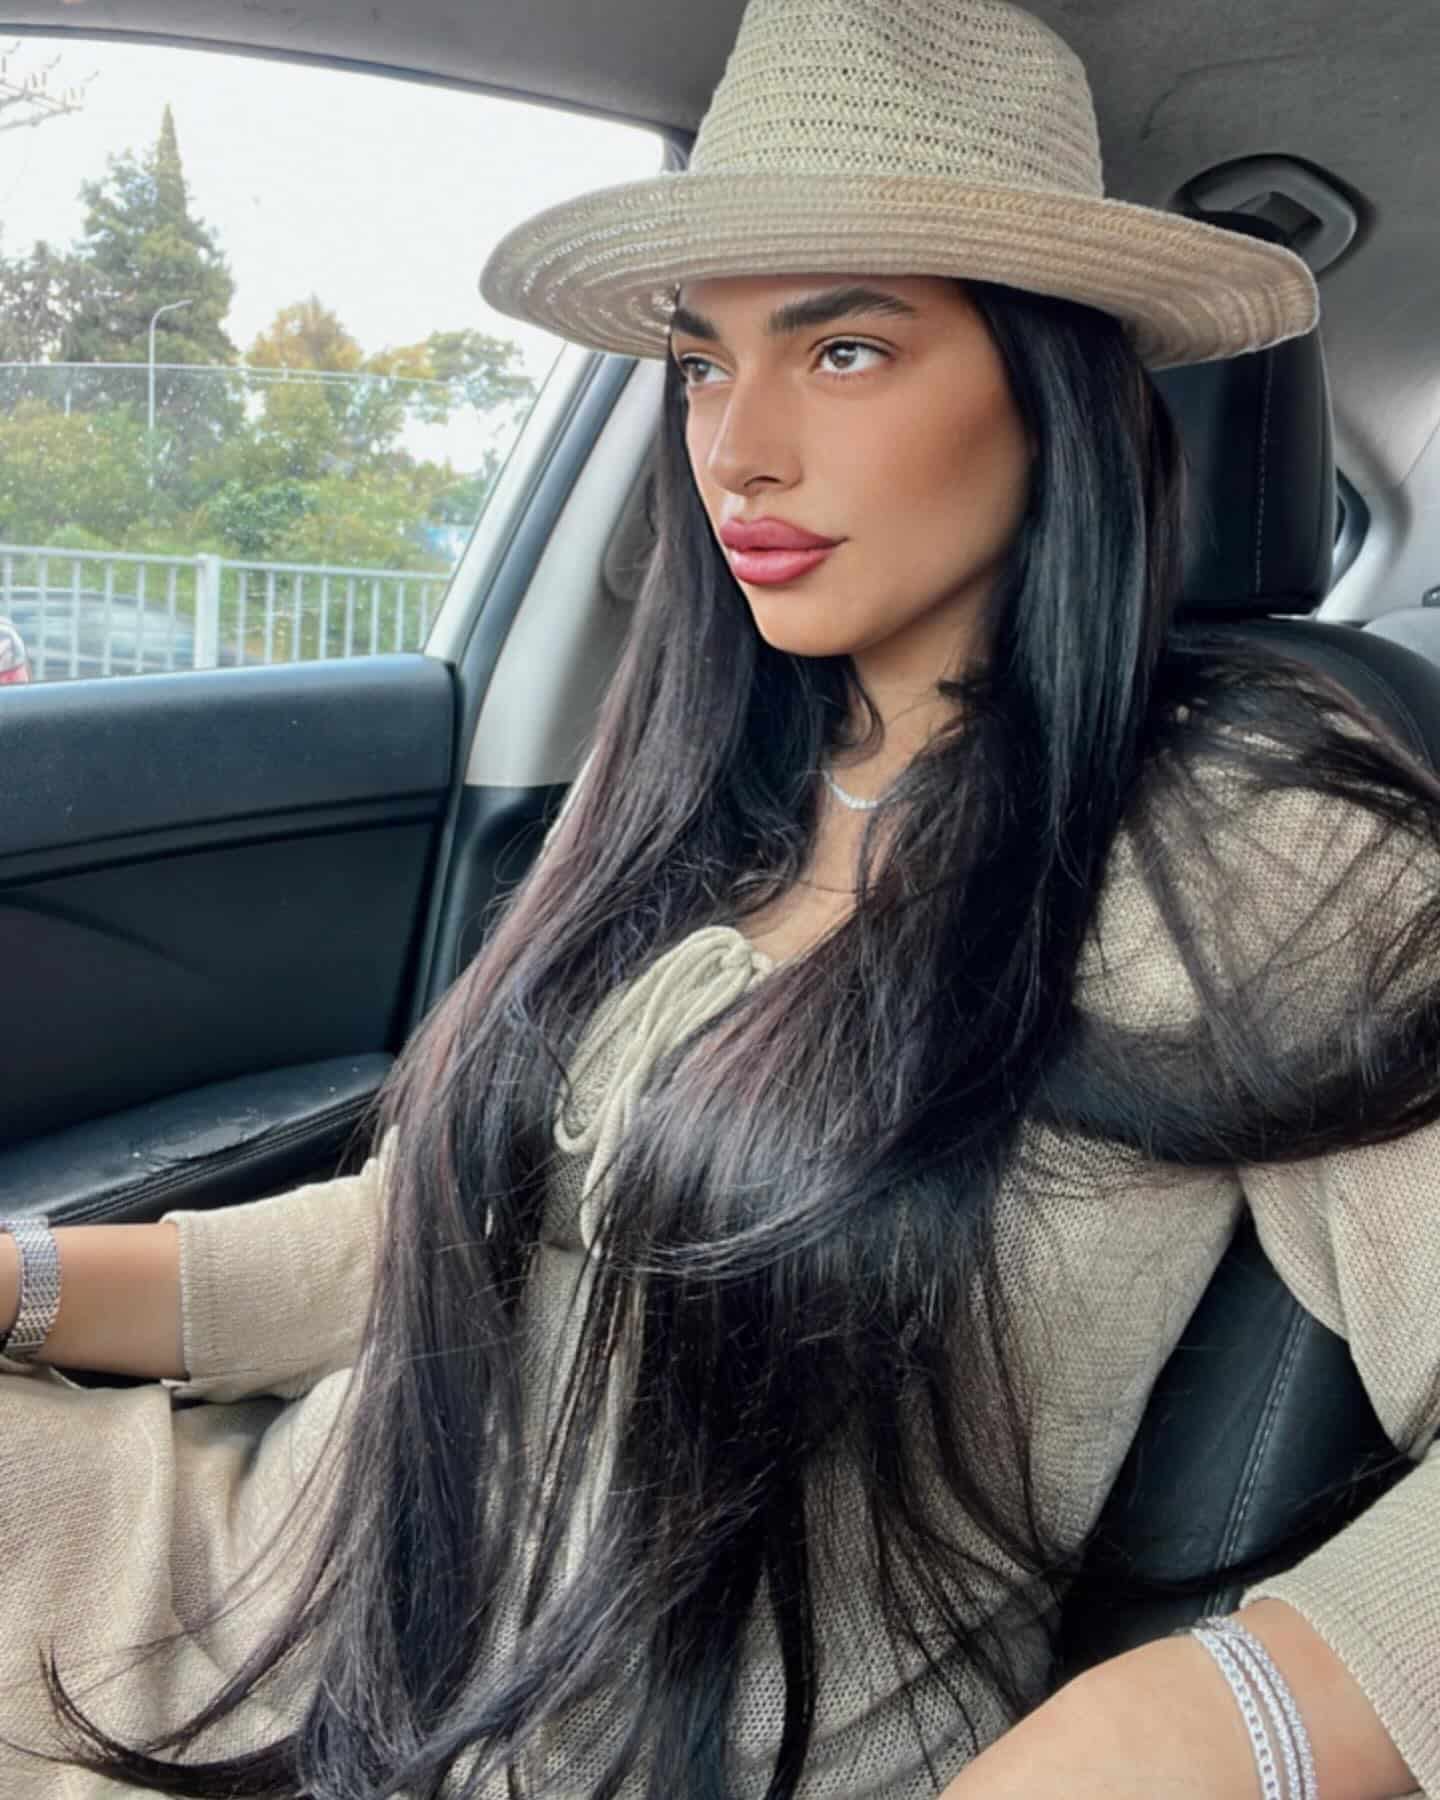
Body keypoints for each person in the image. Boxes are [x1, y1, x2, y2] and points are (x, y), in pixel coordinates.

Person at [2, 1, 1438, 1795]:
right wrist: (25, 1278)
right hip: (271, 1586)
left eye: (843, 349)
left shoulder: (1254, 841)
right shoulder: (704, 770)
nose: (736, 447)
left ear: (1056, 392)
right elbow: (422, 1248)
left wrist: (1142, 1739)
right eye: (699, 362)